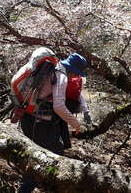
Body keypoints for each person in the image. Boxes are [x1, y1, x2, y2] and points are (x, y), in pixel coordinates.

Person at [19, 52, 92, 193]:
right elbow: (58, 106)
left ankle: (38, 184)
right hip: (37, 120)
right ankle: (29, 188)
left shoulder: (54, 67)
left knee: (41, 152)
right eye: (76, 74)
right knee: (50, 152)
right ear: (73, 70)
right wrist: (76, 123)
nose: (75, 77)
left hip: (30, 116)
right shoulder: (62, 75)